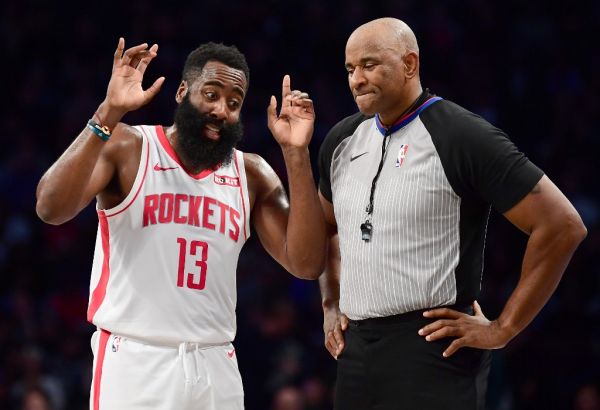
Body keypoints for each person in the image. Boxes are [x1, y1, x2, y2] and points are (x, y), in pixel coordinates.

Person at [35, 38, 326, 410]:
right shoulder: (129, 146)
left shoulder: (250, 173)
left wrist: (296, 153)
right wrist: (108, 112)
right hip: (137, 359)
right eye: (211, 94)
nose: (221, 109)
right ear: (182, 92)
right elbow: (50, 207)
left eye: (234, 103)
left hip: (216, 362)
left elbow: (306, 263)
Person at [317, 17, 587, 410]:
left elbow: (562, 225)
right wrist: (329, 304)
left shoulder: (460, 134)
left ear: (410, 64)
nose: (357, 79)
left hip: (432, 348)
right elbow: (327, 229)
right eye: (350, 69)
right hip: (355, 350)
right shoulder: (342, 138)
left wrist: (504, 328)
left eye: (370, 64)